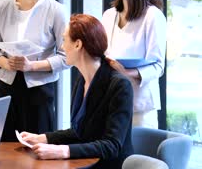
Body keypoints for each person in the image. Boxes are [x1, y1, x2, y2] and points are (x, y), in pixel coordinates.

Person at [20, 14, 134, 169]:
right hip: (84, 163)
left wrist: (62, 150)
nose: (61, 47)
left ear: (78, 44)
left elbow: (111, 145)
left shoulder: (119, 85)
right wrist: (43, 138)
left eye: (64, 40)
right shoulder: (81, 79)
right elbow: (79, 132)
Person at [0, 0, 68, 141]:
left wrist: (32, 66)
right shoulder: (2, 8)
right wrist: (5, 63)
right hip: (5, 86)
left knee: (36, 146)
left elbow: (67, 57)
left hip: (39, 90)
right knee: (3, 144)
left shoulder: (56, 10)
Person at [102, 0, 166, 128]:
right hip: (111, 103)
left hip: (140, 108)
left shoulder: (152, 16)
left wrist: (127, 73)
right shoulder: (109, 15)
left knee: (138, 156)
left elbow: (158, 66)